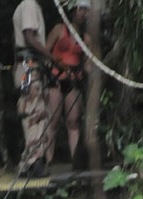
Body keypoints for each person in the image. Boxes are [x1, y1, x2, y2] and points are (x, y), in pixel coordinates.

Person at [12, 0, 57, 177]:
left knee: (33, 110)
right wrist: (52, 57)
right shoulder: (29, 5)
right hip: (29, 66)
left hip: (29, 65)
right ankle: (34, 161)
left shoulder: (27, 6)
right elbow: (29, 37)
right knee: (35, 112)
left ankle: (27, 163)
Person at [44, 1, 90, 166]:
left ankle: (75, 159)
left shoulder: (86, 38)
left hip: (74, 80)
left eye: (86, 10)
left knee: (73, 120)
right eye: (81, 9)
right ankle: (48, 159)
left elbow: (87, 64)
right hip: (56, 77)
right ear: (73, 10)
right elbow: (46, 50)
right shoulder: (59, 29)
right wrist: (53, 67)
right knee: (54, 119)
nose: (83, 13)